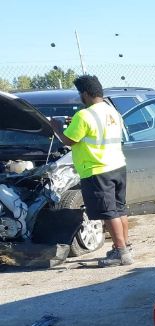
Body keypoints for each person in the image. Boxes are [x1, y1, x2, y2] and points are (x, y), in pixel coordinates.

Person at [50, 75, 133, 267]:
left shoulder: (84, 115)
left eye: (80, 94)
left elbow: (69, 140)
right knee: (119, 209)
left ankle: (121, 254)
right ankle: (125, 246)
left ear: (85, 94)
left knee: (109, 212)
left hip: (97, 169)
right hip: (117, 166)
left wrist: (56, 128)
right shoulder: (112, 112)